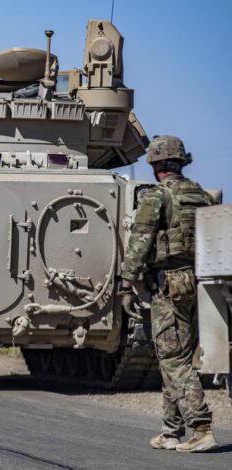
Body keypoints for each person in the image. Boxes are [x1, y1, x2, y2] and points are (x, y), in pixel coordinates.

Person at [119, 135, 218, 453]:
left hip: (169, 285)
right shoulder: (202, 196)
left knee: (172, 358)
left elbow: (140, 240)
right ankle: (171, 431)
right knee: (178, 357)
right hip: (199, 283)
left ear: (156, 164)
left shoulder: (159, 196)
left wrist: (126, 284)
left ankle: (201, 428)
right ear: (180, 162)